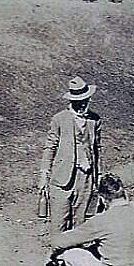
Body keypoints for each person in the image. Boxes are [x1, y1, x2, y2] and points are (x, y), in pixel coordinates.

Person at [38, 76, 101, 235]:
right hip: (62, 177)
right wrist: (44, 175)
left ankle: (77, 250)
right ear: (71, 100)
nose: (82, 104)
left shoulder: (94, 120)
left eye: (85, 100)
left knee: (81, 222)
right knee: (59, 223)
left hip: (85, 177)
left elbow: (97, 149)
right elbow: (50, 147)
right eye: (78, 101)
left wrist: (97, 176)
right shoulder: (59, 119)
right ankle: (57, 250)